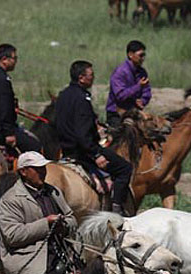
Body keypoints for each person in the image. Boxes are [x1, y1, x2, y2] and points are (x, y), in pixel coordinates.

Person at [55, 60, 133, 215]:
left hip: (66, 149)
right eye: (91, 75)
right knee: (125, 168)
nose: (94, 78)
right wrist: (95, 154)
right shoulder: (82, 99)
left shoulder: (63, 95)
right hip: (83, 151)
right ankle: (117, 210)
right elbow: (82, 134)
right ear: (81, 78)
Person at [0, 43, 42, 154]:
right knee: (34, 145)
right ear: (4, 59)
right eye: (14, 58)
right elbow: (5, 110)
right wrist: (9, 133)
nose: (16, 62)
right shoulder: (2, 80)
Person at [105, 40, 152, 129]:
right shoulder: (120, 72)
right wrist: (138, 87)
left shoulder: (142, 72)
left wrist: (142, 101)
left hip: (134, 113)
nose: (143, 58)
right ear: (130, 55)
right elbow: (120, 95)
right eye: (140, 55)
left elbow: (147, 92)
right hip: (117, 114)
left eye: (144, 55)